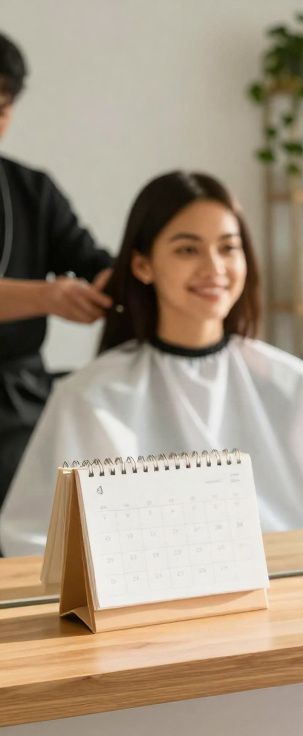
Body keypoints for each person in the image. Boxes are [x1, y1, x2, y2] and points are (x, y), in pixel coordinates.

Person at [0, 171, 303, 557]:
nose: (214, 268)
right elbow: (35, 545)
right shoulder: (92, 398)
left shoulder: (290, 381)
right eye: (187, 249)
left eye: (228, 248)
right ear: (143, 265)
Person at [0, 31, 113, 509]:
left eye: (3, 108)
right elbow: (50, 295)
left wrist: (118, 284)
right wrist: (47, 297)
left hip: (16, 410)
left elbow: (96, 263)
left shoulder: (31, 191)